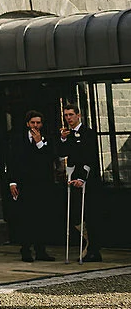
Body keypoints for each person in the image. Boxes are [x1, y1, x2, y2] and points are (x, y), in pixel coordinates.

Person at [5, 110, 58, 262]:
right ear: (28, 123)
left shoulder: (47, 138)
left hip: (41, 184)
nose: (36, 125)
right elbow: (12, 160)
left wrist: (39, 143)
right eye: (33, 123)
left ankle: (41, 250)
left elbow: (50, 158)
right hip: (24, 184)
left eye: (38, 123)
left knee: (41, 218)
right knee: (25, 218)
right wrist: (12, 182)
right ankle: (25, 250)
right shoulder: (17, 139)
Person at [60, 103, 103, 262]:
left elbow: (89, 157)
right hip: (73, 179)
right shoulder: (68, 135)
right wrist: (63, 140)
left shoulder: (88, 133)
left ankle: (94, 250)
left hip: (88, 179)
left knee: (91, 215)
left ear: (78, 115)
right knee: (74, 213)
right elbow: (62, 154)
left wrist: (82, 177)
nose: (68, 118)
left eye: (71, 115)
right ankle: (87, 241)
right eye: (66, 115)